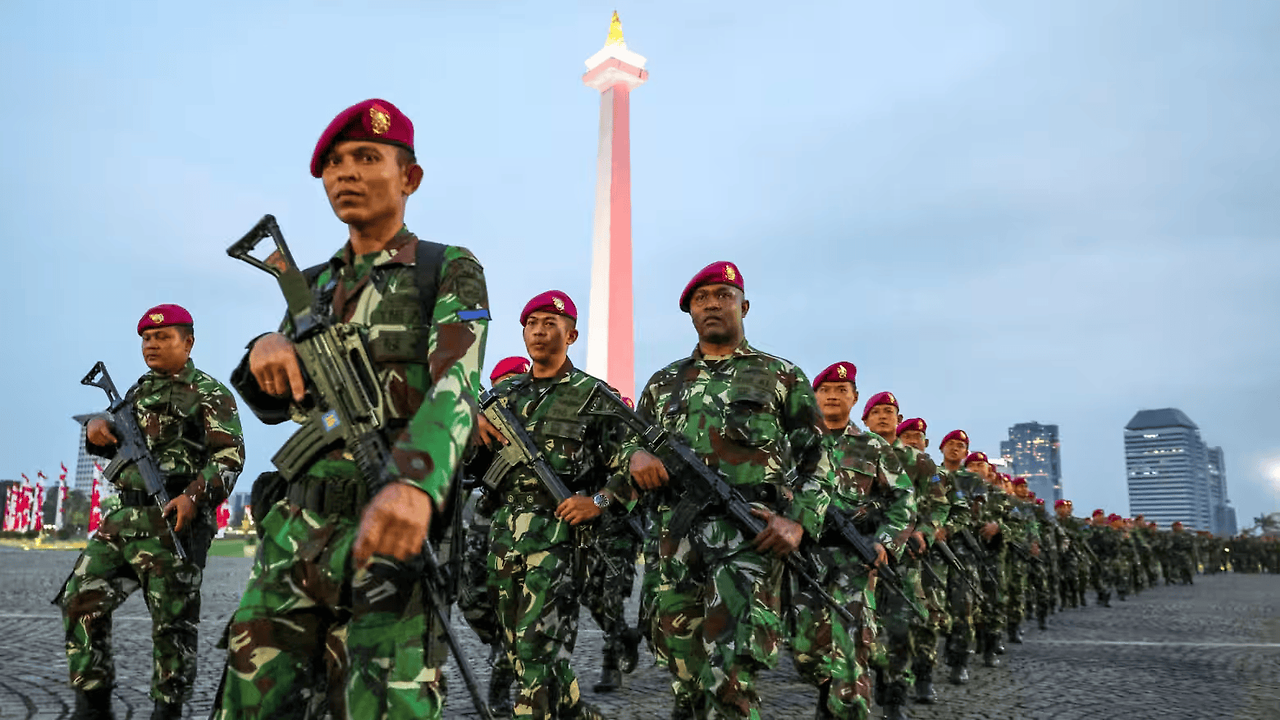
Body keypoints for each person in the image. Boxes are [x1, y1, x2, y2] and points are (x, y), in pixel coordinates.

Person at [213, 98, 490, 720]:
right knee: (250, 705)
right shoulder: (306, 287)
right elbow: (277, 408)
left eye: (367, 157)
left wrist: (416, 484)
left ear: (409, 178)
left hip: (390, 529)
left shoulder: (446, 268)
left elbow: (458, 382)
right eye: (335, 163)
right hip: (295, 536)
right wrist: (264, 347)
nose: (347, 174)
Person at [601, 261, 835, 719]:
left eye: (723, 296)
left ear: (743, 306)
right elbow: (629, 439)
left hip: (747, 538)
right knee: (683, 675)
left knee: (732, 677)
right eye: (701, 298)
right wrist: (635, 456)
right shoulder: (664, 382)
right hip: (675, 542)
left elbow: (819, 457)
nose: (712, 304)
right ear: (690, 312)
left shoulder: (780, 375)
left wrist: (799, 521)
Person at [60, 304, 245, 720]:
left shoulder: (209, 393)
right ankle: (92, 706)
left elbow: (230, 458)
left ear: (189, 342)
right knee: (80, 599)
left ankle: (168, 712)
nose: (153, 344)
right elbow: (115, 443)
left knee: (172, 626)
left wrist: (194, 497)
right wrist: (95, 431)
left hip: (175, 522)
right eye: (147, 338)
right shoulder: (137, 392)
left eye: (163, 337)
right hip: (124, 520)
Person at [472, 290, 620, 720]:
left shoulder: (594, 396)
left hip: (560, 541)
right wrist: (469, 426)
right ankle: (577, 712)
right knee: (521, 651)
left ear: (571, 334)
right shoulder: (504, 395)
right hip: (505, 539)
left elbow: (629, 465)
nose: (539, 330)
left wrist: (598, 500)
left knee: (536, 653)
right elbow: (478, 464)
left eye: (550, 323)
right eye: (532, 323)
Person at [790, 363, 913, 720]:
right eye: (826, 389)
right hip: (804, 561)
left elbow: (903, 498)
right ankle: (829, 690)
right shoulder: (796, 444)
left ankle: (845, 704)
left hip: (854, 562)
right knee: (806, 652)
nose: (833, 395)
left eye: (842, 390)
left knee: (852, 647)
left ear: (854, 398)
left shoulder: (871, 446)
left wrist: (885, 543)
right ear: (814, 397)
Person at [458, 356, 530, 717]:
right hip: (489, 512)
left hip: (531, 518)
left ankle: (503, 683)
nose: (507, 394)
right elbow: (467, 465)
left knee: (518, 604)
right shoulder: (483, 418)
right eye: (500, 386)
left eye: (513, 384)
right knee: (470, 595)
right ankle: (500, 643)